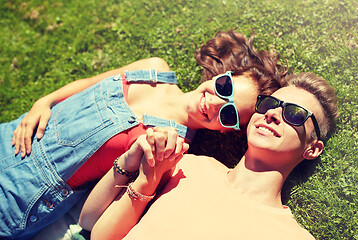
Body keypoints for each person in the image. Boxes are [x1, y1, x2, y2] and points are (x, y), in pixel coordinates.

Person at [0, 30, 287, 239]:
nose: (212, 103)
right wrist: (44, 101)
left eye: (228, 113)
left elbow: (91, 217)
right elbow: (89, 83)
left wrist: (136, 166)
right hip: (12, 135)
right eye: (224, 88)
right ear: (222, 75)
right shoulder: (154, 69)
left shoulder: (173, 149)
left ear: (227, 130)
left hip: (23, 197)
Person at [80, 72, 339, 240]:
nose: (272, 114)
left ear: (312, 149)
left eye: (294, 114)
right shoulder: (186, 165)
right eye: (269, 104)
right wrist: (139, 169)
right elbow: (94, 228)